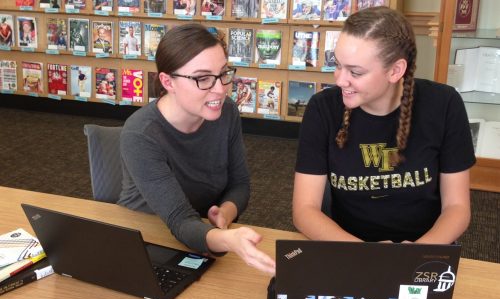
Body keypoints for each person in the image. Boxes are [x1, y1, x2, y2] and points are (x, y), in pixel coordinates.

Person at [292, 6, 475, 245]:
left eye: (355, 72)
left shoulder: (444, 104)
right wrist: (370, 256)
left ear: (396, 70)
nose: (339, 79)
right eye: (337, 64)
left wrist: (415, 254)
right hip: (348, 249)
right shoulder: (322, 109)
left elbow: (457, 207)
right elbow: (304, 210)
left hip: (425, 247)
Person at [118, 24, 275, 275]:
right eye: (203, 78)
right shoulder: (141, 134)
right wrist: (229, 241)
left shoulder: (227, 113)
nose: (220, 89)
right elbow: (179, 219)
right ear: (168, 81)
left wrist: (225, 212)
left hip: (201, 233)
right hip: (147, 235)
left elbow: (240, 184)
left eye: (223, 73)